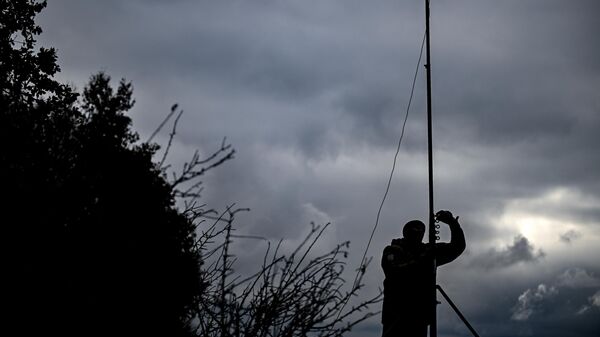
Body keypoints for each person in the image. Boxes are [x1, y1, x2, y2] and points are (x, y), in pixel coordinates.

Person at [381, 210, 466, 337]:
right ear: (406, 233)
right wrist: (425, 258)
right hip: (396, 314)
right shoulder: (393, 250)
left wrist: (452, 223)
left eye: (419, 230)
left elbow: (457, 247)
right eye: (413, 230)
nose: (417, 233)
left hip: (420, 316)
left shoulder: (428, 250)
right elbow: (396, 273)